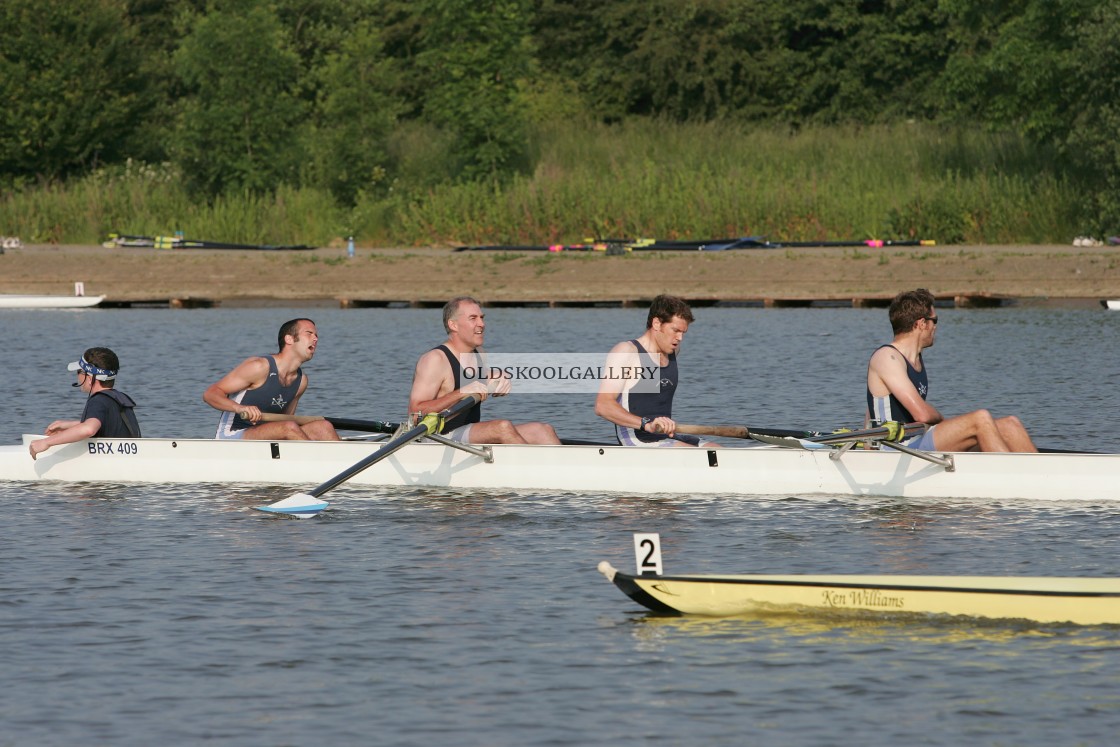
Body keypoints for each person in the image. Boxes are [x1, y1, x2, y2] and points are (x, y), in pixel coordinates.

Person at [866, 288, 1037, 452]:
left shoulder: (914, 358)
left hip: (917, 441)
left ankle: (1043, 477)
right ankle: (1009, 478)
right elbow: (922, 415)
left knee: (1010, 425)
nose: (936, 327)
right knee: (980, 419)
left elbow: (873, 408)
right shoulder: (887, 357)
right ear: (921, 324)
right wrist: (942, 419)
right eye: (935, 321)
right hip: (894, 448)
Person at [408, 296, 560, 444]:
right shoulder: (435, 360)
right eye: (473, 318)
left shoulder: (479, 353)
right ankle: (533, 468)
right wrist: (462, 392)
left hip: (465, 433)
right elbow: (415, 414)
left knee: (543, 430)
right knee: (501, 428)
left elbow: (475, 379)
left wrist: (500, 375)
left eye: (482, 317)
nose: (481, 324)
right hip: (436, 437)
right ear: (454, 325)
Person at [595, 294, 716, 447]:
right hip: (637, 438)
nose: (680, 338)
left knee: (719, 452)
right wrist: (646, 424)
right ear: (657, 323)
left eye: (683, 333)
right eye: (675, 330)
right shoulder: (626, 352)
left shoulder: (672, 351)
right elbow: (603, 406)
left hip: (666, 436)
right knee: (699, 457)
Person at [203, 318, 339, 441]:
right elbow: (210, 394)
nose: (315, 339)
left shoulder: (301, 381)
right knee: (288, 427)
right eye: (309, 333)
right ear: (289, 339)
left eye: (316, 335)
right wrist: (240, 408)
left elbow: (286, 419)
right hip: (233, 436)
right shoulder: (259, 367)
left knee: (324, 427)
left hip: (270, 437)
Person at [30, 347, 142, 460]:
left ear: (90, 378)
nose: (77, 376)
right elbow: (106, 422)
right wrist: (68, 426)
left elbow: (88, 429)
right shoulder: (119, 398)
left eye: (79, 372)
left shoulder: (98, 400)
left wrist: (46, 442)